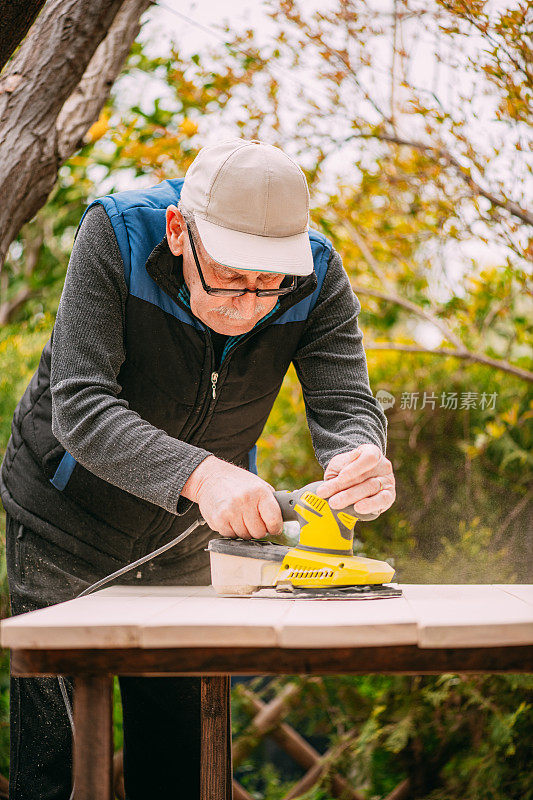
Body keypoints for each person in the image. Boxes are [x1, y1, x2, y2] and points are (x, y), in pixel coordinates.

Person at [0, 137, 395, 798]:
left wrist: (360, 456)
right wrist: (207, 476)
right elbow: (82, 406)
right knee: (55, 766)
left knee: (181, 759)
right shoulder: (117, 237)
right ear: (181, 233)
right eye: (230, 279)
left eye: (269, 286)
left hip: (186, 541)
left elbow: (346, 403)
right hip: (63, 523)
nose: (246, 307)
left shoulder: (317, 272)